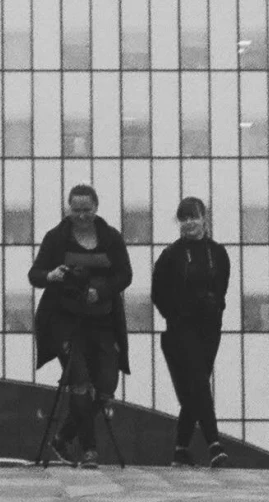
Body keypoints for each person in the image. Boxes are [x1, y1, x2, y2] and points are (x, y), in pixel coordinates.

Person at [28, 184, 133, 466]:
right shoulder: (57, 238)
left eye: (87, 210)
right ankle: (89, 450)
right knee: (79, 383)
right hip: (65, 320)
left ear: (96, 207)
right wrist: (52, 275)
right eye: (76, 211)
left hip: (102, 320)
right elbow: (35, 274)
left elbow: (125, 274)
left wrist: (102, 291)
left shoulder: (110, 237)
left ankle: (63, 437)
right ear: (68, 209)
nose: (82, 216)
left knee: (105, 386)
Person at [152, 197, 232, 467]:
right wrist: (177, 313)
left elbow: (222, 288)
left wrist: (214, 307)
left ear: (204, 218)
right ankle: (214, 445)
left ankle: (181, 448)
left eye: (193, 217)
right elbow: (157, 294)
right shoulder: (170, 255)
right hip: (181, 328)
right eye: (184, 218)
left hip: (209, 328)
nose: (189, 223)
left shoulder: (218, 253)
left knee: (195, 390)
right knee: (198, 383)